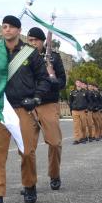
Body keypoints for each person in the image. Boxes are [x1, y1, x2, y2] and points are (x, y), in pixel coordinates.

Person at [0, 16, 52, 203]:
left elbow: (44, 79)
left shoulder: (30, 53)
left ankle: (29, 185)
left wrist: (37, 98)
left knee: (27, 152)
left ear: (19, 30)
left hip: (23, 107)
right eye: (4, 27)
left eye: (11, 27)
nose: (7, 30)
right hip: (0, 108)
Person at [26, 27, 66, 191]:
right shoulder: (22, 57)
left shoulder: (54, 58)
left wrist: (52, 75)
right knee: (27, 148)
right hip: (28, 105)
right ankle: (29, 182)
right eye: (30, 40)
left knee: (55, 143)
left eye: (35, 40)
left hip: (48, 103)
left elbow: (62, 82)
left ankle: (54, 174)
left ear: (43, 41)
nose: (32, 43)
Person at [68, 80, 89, 145]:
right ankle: (77, 139)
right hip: (75, 111)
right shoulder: (72, 92)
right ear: (75, 83)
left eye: (79, 82)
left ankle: (83, 137)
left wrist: (87, 109)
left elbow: (88, 101)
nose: (78, 83)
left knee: (83, 125)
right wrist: (71, 110)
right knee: (76, 126)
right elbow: (70, 102)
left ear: (81, 83)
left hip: (82, 110)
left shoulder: (85, 92)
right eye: (77, 82)